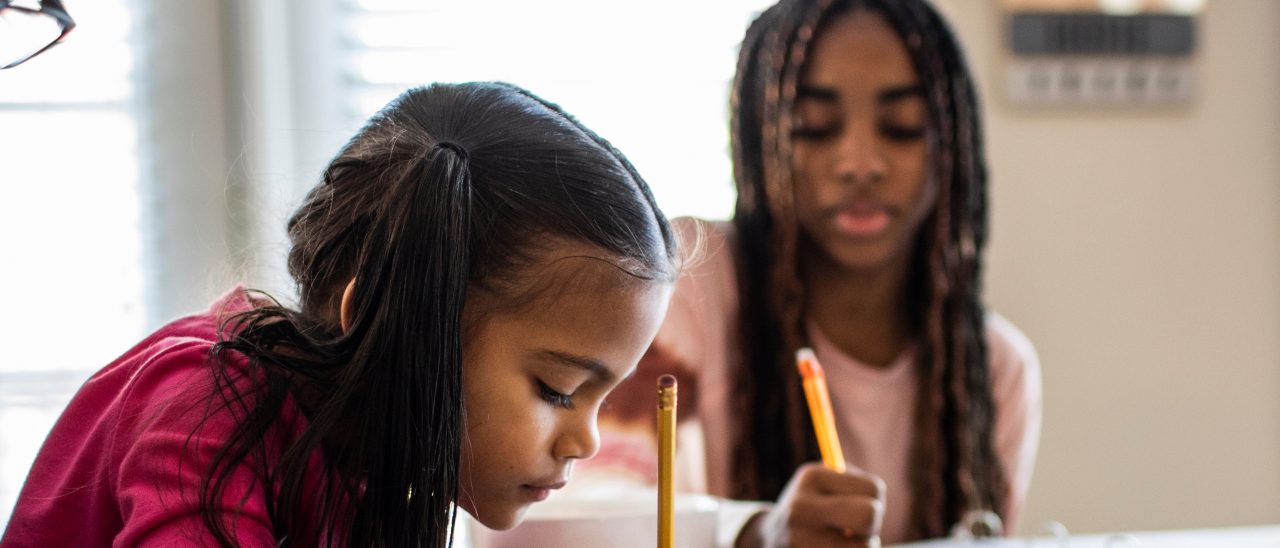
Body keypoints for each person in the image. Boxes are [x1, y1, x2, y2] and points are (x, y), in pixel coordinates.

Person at [0, 81, 678, 547]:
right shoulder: (200, 410)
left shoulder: (361, 460)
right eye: (556, 389)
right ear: (379, 318)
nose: (584, 443)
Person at [589, 0, 1042, 546]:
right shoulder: (680, 282)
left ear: (952, 145)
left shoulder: (993, 370)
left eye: (902, 128)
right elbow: (568, 514)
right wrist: (757, 532)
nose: (860, 163)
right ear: (760, 136)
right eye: (815, 127)